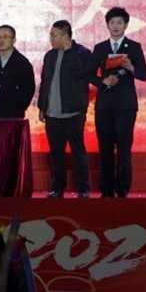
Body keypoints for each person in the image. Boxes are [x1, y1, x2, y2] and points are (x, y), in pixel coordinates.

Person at [90, 7, 146, 198]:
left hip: (125, 106)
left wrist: (131, 67)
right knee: (105, 149)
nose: (115, 26)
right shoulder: (100, 48)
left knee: (124, 149)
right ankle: (106, 190)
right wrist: (103, 81)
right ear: (107, 25)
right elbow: (88, 74)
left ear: (126, 25)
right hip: (104, 106)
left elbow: (144, 75)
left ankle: (122, 190)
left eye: (119, 22)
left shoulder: (134, 47)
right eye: (112, 22)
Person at [37, 20, 96, 199]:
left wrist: (69, 52)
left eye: (54, 35)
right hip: (52, 112)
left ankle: (83, 189)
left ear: (65, 36)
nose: (51, 39)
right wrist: (42, 107)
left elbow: (82, 73)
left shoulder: (82, 53)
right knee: (56, 153)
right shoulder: (50, 55)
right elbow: (45, 82)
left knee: (78, 152)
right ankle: (57, 188)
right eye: (50, 35)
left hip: (73, 112)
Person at [0, 24, 35, 119]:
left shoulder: (23, 63)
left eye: (5, 37)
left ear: (14, 40)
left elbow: (28, 90)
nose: (1, 40)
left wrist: (19, 108)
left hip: (13, 116)